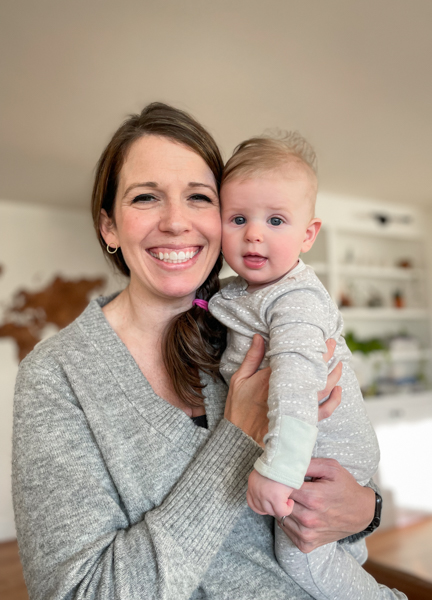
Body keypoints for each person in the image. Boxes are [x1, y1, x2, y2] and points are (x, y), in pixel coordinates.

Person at [13, 103, 380, 600]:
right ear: (109, 227)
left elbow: (338, 464)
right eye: (146, 197)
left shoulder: (246, 321)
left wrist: (366, 510)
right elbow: (80, 593)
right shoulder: (57, 375)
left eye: (199, 197)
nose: (176, 222)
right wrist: (237, 437)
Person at [209, 132, 406, 599]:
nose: (254, 234)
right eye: (238, 218)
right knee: (338, 552)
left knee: (301, 554)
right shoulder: (239, 290)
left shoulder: (296, 300)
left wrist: (278, 469)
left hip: (327, 451)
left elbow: (295, 388)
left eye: (276, 220)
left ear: (308, 235)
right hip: (309, 446)